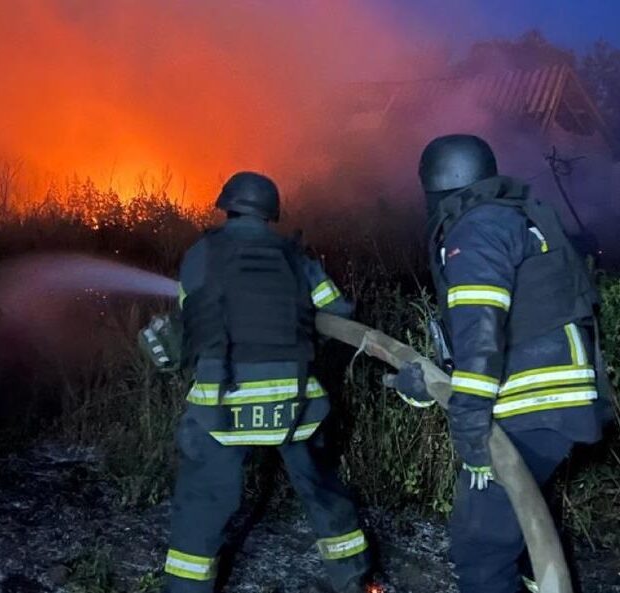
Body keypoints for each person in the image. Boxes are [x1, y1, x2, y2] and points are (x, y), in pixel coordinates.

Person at [390, 135, 606, 593]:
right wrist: (430, 384)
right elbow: (500, 334)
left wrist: (472, 436)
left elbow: (481, 333)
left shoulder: (475, 229)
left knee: (482, 547)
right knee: (528, 531)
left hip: (531, 405)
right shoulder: (513, 217)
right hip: (555, 401)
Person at [162, 171, 370, 593]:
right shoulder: (297, 258)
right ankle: (353, 578)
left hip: (222, 402)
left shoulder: (202, 254)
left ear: (228, 206)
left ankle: (186, 589)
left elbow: (191, 321)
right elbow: (338, 313)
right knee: (322, 489)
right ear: (271, 212)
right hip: (295, 405)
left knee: (203, 503)